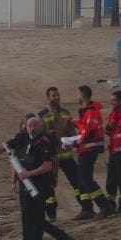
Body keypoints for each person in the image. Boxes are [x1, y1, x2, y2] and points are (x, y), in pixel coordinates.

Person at [0, 117, 73, 240]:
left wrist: (29, 174)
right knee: (33, 218)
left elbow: (48, 165)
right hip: (26, 184)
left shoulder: (44, 141)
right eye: (29, 126)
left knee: (30, 217)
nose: (31, 129)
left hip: (39, 184)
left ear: (40, 127)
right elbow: (5, 146)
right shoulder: (22, 137)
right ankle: (62, 238)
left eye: (34, 126)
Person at [38, 87, 83, 221]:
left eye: (57, 95)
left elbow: (71, 132)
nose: (56, 98)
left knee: (77, 182)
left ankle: (86, 208)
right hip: (50, 157)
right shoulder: (41, 114)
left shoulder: (65, 112)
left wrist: (75, 143)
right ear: (48, 98)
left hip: (66, 155)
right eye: (53, 96)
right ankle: (51, 215)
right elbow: (39, 136)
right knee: (49, 187)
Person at [72, 85, 114, 220]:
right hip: (87, 148)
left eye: (77, 94)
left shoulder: (91, 112)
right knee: (84, 179)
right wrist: (76, 122)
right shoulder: (88, 111)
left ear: (82, 95)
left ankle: (104, 205)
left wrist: (75, 141)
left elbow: (88, 131)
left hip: (89, 149)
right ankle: (94, 207)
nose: (76, 97)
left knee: (86, 180)